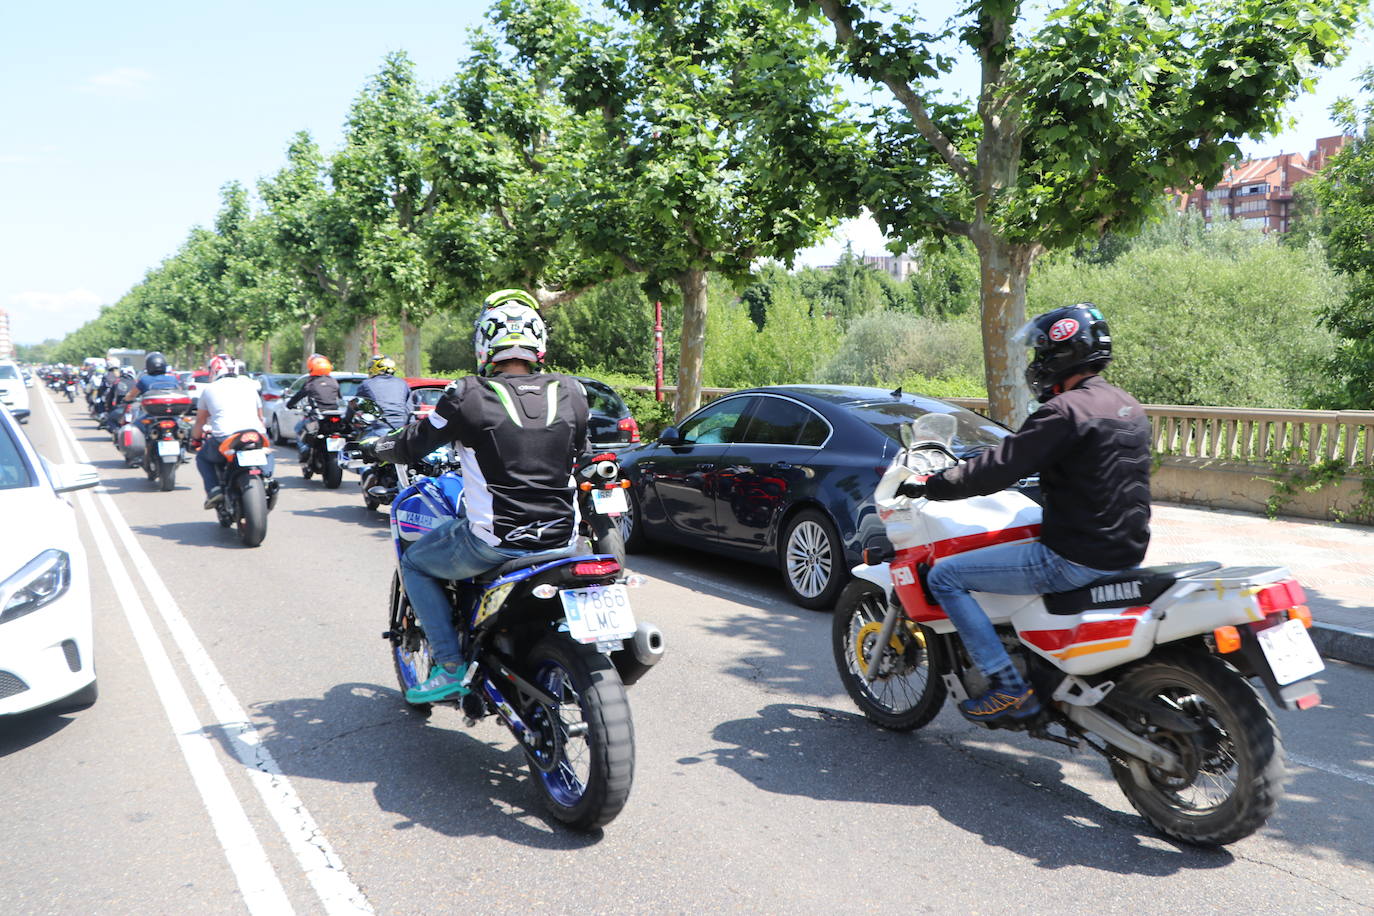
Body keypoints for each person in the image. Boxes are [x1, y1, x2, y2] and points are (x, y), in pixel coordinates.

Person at [909, 303, 1152, 725]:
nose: (1038, 364)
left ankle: (1007, 685)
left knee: (946, 576)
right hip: (1126, 551)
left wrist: (936, 485)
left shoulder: (1064, 412)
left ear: (1064, 353)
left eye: (1042, 353)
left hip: (1074, 559)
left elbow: (998, 468)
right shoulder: (1126, 405)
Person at [371, 289, 590, 704]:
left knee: (416, 562)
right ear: (539, 343)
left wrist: (380, 447)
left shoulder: (467, 393)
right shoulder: (572, 391)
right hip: (564, 540)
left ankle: (450, 666)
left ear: (484, 343)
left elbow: (413, 443)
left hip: (496, 542)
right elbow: (585, 453)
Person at [190, 357, 274, 509]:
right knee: (267, 450)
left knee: (203, 457)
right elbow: (260, 417)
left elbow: (200, 421)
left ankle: (214, 490)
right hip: (255, 434)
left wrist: (195, 440)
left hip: (226, 437)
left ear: (214, 371)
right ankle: (267, 477)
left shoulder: (209, 389)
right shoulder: (250, 387)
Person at [287, 355, 341, 463]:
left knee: (298, 429)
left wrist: (289, 405)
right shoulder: (334, 382)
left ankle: (304, 450)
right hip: (335, 417)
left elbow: (298, 396)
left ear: (311, 368)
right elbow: (339, 397)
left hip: (317, 417)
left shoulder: (310, 383)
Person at [346, 355, 411, 432]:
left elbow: (354, 404)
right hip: (402, 427)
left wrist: (346, 420)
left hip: (379, 427)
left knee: (362, 442)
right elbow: (409, 407)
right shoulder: (403, 383)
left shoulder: (367, 384)